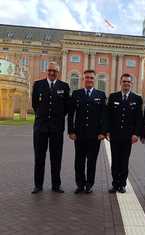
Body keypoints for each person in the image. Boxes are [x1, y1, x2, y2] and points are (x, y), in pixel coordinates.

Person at [31, 62, 70, 194]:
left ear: (58, 72)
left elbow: (66, 107)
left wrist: (57, 118)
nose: (52, 73)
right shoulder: (38, 85)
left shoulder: (64, 87)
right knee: (39, 157)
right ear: (47, 71)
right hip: (40, 127)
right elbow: (35, 104)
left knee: (56, 157)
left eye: (55, 71)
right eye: (50, 70)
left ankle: (56, 185)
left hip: (56, 129)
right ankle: (38, 185)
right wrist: (43, 116)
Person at [68, 70, 106, 194]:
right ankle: (80, 184)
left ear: (94, 80)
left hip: (95, 135)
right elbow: (71, 114)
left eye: (91, 78)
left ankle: (89, 184)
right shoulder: (76, 94)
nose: (89, 79)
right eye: (87, 78)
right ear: (84, 79)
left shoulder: (101, 95)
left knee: (91, 161)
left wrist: (103, 132)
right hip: (79, 134)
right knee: (79, 161)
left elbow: (104, 116)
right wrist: (71, 131)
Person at [107, 73, 143, 193]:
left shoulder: (137, 99)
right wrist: (107, 131)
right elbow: (108, 116)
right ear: (120, 83)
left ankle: (122, 184)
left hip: (128, 136)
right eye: (124, 81)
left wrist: (136, 134)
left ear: (131, 84)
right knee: (115, 160)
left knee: (124, 160)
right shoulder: (113, 97)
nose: (126, 83)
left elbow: (139, 119)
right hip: (115, 135)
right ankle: (115, 184)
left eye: (128, 82)